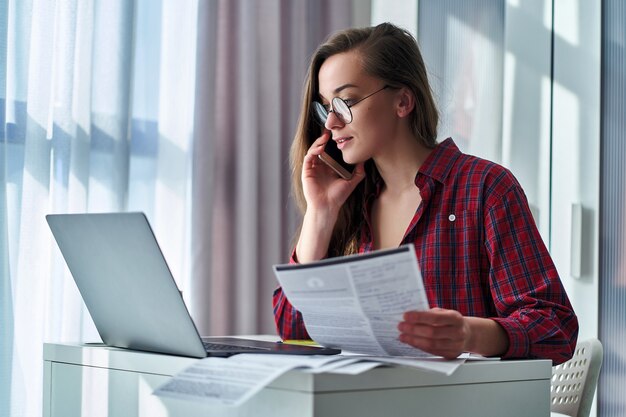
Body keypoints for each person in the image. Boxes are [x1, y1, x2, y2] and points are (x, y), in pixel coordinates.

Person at [272, 22, 578, 364]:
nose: (331, 123)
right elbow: (292, 327)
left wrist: (468, 334)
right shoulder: (352, 204)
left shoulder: (486, 188)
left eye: (346, 102)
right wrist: (321, 213)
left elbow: (556, 328)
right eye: (326, 107)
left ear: (403, 101)